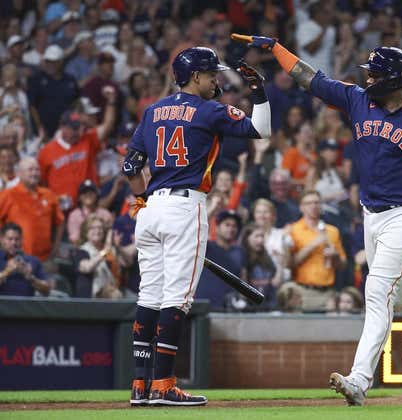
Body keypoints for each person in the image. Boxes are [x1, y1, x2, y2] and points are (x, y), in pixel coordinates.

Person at [233, 35, 402, 405]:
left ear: (392, 80)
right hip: (372, 212)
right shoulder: (357, 98)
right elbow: (310, 79)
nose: (367, 79)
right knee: (398, 289)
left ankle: (360, 380)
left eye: (374, 74)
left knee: (377, 292)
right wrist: (277, 48)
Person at [122, 47, 270, 406]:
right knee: (176, 299)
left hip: (151, 208)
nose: (216, 80)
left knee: (149, 298)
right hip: (185, 207)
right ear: (196, 76)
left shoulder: (153, 110)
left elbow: (131, 165)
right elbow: (259, 131)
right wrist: (259, 93)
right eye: (211, 74)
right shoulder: (209, 110)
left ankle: (140, 386)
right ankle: (164, 385)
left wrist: (141, 201)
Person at [286, 190, 347, 311]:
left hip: (327, 291)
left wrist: (335, 256)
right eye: (309, 203)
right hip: (301, 290)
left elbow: (343, 265)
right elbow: (290, 264)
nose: (313, 206)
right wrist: (313, 244)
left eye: (317, 202)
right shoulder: (293, 230)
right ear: (301, 207)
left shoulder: (332, 231)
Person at [0, 157, 64, 262]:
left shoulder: (49, 194)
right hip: (14, 259)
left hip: (44, 259)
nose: (34, 173)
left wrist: (55, 248)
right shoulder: (8, 194)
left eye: (37, 169)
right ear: (19, 173)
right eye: (30, 169)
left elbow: (60, 222)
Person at [75, 215, 126, 299]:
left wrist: (118, 247)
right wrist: (104, 252)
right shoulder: (81, 251)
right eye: (92, 228)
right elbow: (87, 268)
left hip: (112, 295)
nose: (97, 231)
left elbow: (126, 263)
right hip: (90, 300)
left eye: (100, 228)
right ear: (85, 231)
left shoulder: (110, 250)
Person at [0, 223, 52, 296]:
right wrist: (7, 271)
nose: (13, 243)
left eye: (17, 239)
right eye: (10, 239)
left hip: (26, 306)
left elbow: (47, 291)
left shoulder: (33, 261)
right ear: (2, 240)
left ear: (21, 240)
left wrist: (30, 277)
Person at [67, 179, 114, 244]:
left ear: (96, 195)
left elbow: (111, 235)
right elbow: (74, 239)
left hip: (103, 249)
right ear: (79, 197)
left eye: (91, 192)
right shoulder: (74, 215)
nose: (88, 195)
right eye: (84, 192)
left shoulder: (105, 214)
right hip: (82, 250)